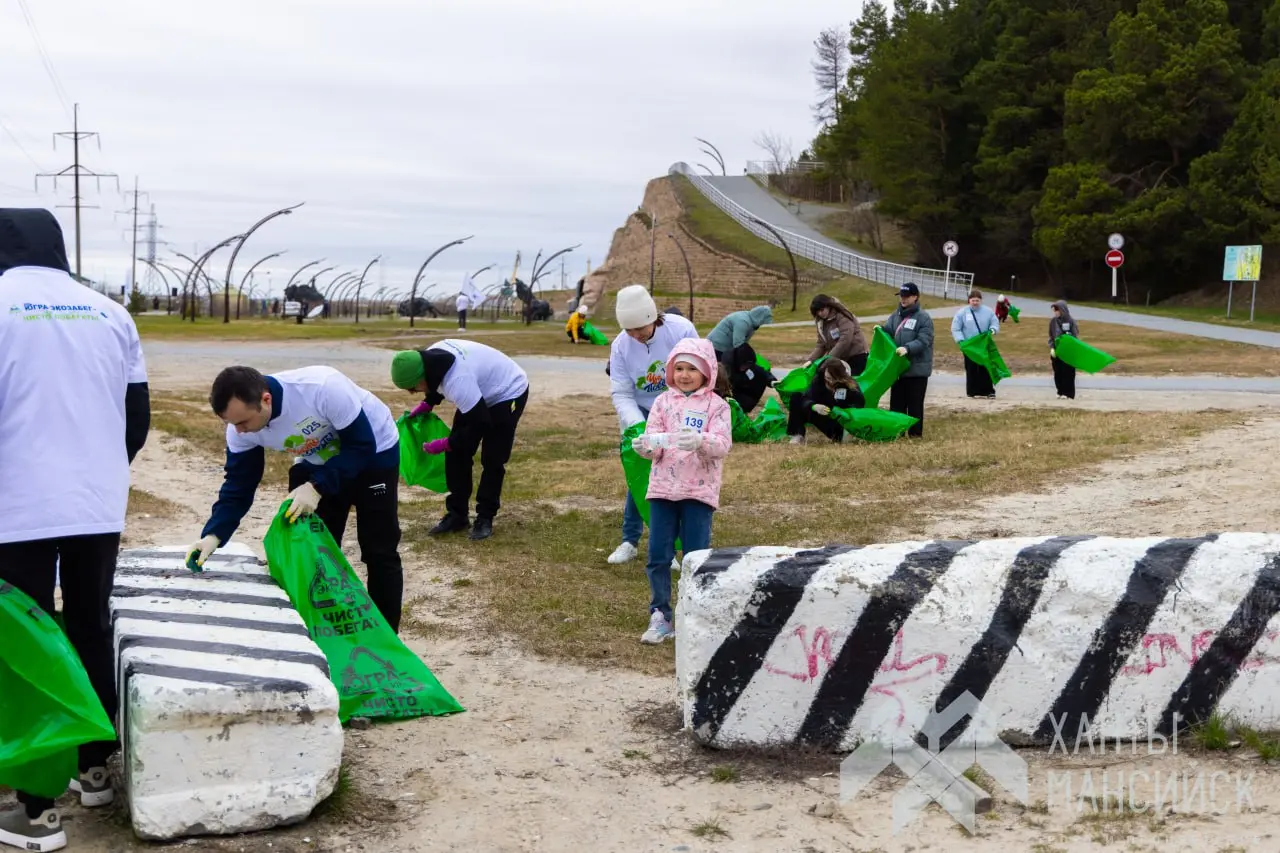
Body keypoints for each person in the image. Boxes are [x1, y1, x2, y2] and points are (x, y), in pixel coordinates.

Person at [0, 208, 151, 851]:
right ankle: (94, 770)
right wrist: (98, 475)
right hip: (96, 506)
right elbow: (136, 419)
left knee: (26, 645)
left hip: (15, 509)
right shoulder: (111, 313)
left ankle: (36, 811)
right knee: (88, 624)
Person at [187, 365, 404, 631]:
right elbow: (239, 484)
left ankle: (386, 635)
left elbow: (361, 446)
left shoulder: (322, 388)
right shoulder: (239, 428)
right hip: (318, 458)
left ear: (266, 399)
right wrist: (214, 534)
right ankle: (330, 630)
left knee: (379, 549)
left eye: (243, 422)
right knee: (314, 550)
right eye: (232, 424)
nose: (239, 431)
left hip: (374, 450)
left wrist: (316, 487)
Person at [631, 338, 731, 644]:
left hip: (698, 493)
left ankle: (694, 613)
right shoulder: (662, 402)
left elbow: (722, 445)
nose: (684, 375)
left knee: (695, 556)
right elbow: (654, 441)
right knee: (658, 555)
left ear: (707, 372)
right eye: (679, 368)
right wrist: (645, 447)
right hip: (662, 490)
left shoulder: (718, 406)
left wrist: (701, 441)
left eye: (692, 369)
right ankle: (660, 615)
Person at [389, 339, 529, 541]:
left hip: (507, 391)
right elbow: (435, 381)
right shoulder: (430, 358)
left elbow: (480, 423)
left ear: (422, 376)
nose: (414, 392)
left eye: (414, 388)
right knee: (457, 454)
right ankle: (458, 515)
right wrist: (429, 402)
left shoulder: (458, 381)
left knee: (493, 458)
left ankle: (485, 517)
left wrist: (447, 443)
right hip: (477, 390)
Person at [606, 284, 698, 565]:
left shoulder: (680, 330)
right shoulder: (620, 345)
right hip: (641, 412)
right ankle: (629, 540)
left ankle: (670, 546)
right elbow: (622, 392)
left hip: (677, 408)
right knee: (640, 474)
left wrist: (684, 412)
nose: (635, 335)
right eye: (629, 330)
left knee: (672, 476)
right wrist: (638, 426)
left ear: (652, 317)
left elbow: (700, 371)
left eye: (640, 328)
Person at [882, 283, 934, 438]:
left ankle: (915, 434)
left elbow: (924, 340)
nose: (903, 299)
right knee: (896, 403)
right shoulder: (894, 316)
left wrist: (908, 348)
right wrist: (881, 331)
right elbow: (889, 333)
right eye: (901, 296)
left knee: (915, 404)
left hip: (917, 370)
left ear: (915, 297)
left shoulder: (923, 318)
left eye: (907, 296)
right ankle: (897, 433)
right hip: (899, 369)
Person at [786, 358, 865, 445]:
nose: (831, 381)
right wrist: (814, 406)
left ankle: (840, 437)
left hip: (839, 424)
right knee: (796, 397)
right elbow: (807, 397)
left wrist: (840, 412)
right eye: (828, 378)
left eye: (834, 379)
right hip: (820, 412)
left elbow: (859, 408)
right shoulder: (819, 380)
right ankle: (797, 435)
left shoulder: (851, 386)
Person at [804, 294, 869, 376]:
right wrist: (810, 360)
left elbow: (844, 340)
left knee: (851, 382)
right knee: (822, 377)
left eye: (822, 310)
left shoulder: (842, 316)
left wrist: (829, 358)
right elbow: (821, 344)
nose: (820, 313)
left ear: (828, 306)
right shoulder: (820, 322)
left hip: (857, 355)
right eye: (817, 312)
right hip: (840, 357)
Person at [951, 289, 1000, 398]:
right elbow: (956, 328)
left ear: (980, 301)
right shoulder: (962, 313)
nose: (975, 303)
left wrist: (993, 329)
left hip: (983, 344)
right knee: (971, 367)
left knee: (985, 366)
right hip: (969, 345)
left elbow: (994, 322)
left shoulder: (988, 311)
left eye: (977, 300)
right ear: (969, 300)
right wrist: (960, 340)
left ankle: (988, 391)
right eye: (973, 300)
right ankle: (972, 391)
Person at [706, 305, 774, 372]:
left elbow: (743, 343)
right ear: (759, 318)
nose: (763, 324)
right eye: (763, 321)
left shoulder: (752, 323)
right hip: (716, 346)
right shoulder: (743, 322)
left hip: (726, 348)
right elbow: (738, 344)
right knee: (720, 371)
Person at [1049, 300, 1079, 400]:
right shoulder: (1053, 322)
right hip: (1057, 351)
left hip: (1068, 351)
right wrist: (1052, 347)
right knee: (1058, 372)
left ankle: (1068, 393)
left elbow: (1075, 335)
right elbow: (1051, 336)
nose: (1055, 312)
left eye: (1057, 310)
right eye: (1054, 310)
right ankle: (1060, 391)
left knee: (1068, 372)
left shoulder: (1071, 321)